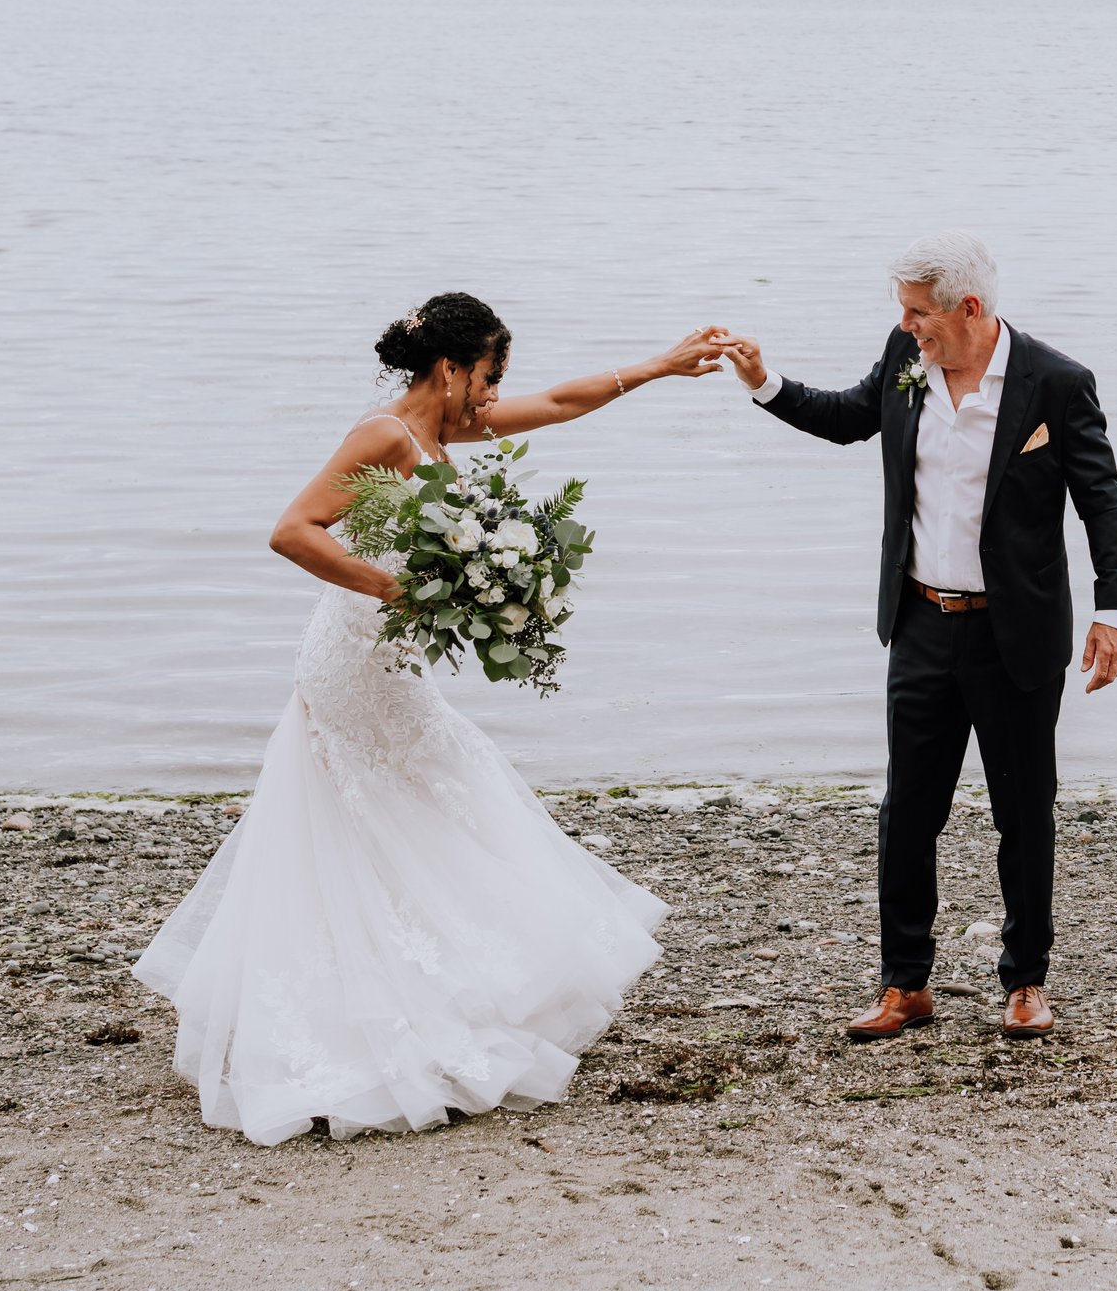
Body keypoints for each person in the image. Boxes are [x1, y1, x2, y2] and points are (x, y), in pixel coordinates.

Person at [133, 293, 726, 1145]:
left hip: (392, 662)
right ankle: (379, 1022)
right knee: (415, 805)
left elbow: (560, 404)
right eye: (488, 379)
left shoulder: (448, 433)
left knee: (420, 810)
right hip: (352, 664)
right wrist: (398, 588)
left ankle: (435, 995)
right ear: (449, 369)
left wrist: (662, 366)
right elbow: (292, 531)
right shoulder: (383, 437)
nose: (494, 397)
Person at [719, 232, 1117, 1042]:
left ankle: (1025, 983)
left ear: (969, 308)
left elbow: (1102, 500)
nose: (907, 326)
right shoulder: (906, 357)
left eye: (920, 314)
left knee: (1024, 810)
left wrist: (1114, 609)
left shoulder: (1055, 383)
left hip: (1012, 634)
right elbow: (847, 418)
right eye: (904, 313)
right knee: (907, 811)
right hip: (919, 622)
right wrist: (763, 381)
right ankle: (905, 984)